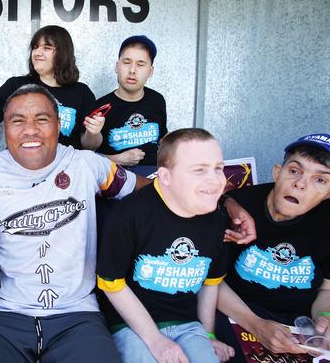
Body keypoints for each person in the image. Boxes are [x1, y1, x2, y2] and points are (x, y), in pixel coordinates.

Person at [0, 86, 256, 362]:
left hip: (76, 315)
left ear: (59, 126)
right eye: (17, 120)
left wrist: (227, 200)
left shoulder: (90, 166)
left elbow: (156, 188)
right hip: (1, 316)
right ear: (5, 128)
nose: (30, 129)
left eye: (42, 119)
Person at [97, 128, 235, 363]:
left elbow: (211, 283)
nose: (214, 179)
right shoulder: (130, 214)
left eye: (218, 168)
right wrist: (156, 341)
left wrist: (208, 333)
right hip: (130, 324)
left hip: (187, 323)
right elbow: (111, 284)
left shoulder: (218, 219)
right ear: (166, 176)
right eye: (199, 170)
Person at [216, 133, 330, 361]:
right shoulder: (239, 207)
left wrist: (326, 320)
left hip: (304, 318)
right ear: (277, 172)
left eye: (320, 180)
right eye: (294, 171)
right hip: (241, 311)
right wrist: (256, 325)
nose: (300, 184)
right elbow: (210, 282)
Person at [0, 25, 101, 150]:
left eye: (46, 48)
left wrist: (93, 132)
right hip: (21, 167)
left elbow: (90, 145)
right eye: (35, 47)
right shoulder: (17, 85)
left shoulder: (82, 92)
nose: (37, 52)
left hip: (65, 170)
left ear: (63, 53)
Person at [94, 35, 167, 177]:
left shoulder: (157, 100)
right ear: (117, 66)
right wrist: (117, 159)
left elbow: (162, 138)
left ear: (150, 71)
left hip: (153, 178)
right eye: (127, 62)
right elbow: (87, 156)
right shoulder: (102, 106)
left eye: (140, 64)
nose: (132, 70)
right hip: (114, 179)